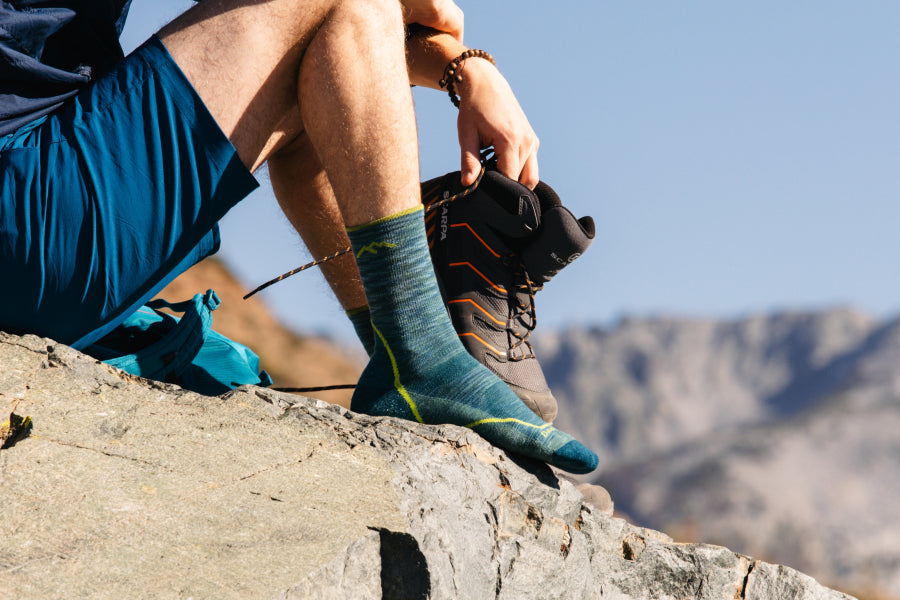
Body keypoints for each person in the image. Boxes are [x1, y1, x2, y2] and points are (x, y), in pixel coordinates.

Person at [0, 0, 598, 474]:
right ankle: (426, 350)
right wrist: (467, 67)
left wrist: (456, 67)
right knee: (346, 9)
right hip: (21, 218)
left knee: (329, 42)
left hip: (37, 216)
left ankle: (405, 352)